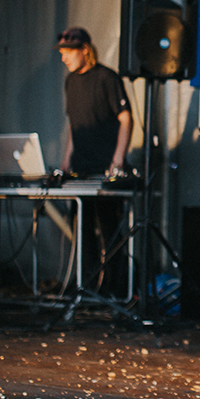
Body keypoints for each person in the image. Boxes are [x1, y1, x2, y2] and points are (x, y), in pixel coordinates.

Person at [57, 26, 133, 294]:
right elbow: (74, 125)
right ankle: (87, 287)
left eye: (68, 52)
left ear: (85, 50)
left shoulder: (107, 78)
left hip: (104, 168)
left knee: (110, 229)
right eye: (62, 52)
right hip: (81, 168)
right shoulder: (70, 82)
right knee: (83, 229)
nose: (64, 57)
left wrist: (117, 159)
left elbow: (125, 119)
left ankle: (115, 289)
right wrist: (66, 160)